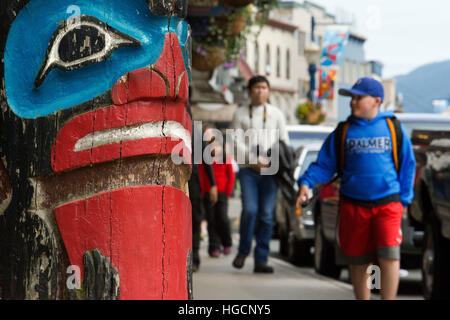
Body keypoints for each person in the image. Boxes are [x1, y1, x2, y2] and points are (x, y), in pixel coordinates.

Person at [296, 77, 416, 300]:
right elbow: (324, 164)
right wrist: (306, 183)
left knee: (389, 256)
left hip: (388, 203)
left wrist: (404, 201)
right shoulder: (343, 131)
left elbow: (408, 166)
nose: (353, 102)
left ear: (377, 101)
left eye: (359, 98)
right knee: (358, 258)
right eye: (352, 97)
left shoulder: (392, 128)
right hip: (353, 204)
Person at [231, 75, 289, 273]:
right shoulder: (240, 114)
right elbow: (235, 143)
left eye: (264, 87)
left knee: (266, 215)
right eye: (256, 87)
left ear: (269, 91)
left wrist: (272, 162)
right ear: (249, 91)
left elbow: (284, 144)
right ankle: (243, 250)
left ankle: (261, 259)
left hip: (271, 172)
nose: (260, 91)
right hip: (248, 170)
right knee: (250, 210)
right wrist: (253, 161)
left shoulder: (277, 114)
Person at [187, 104, 218, 272]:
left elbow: (206, 158)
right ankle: (193, 258)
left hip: (192, 181)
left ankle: (195, 257)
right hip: (184, 180)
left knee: (195, 220)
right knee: (192, 220)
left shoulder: (194, 128)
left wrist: (213, 184)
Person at [198, 125, 235, 257]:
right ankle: (214, 247)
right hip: (207, 193)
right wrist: (203, 192)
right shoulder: (204, 160)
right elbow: (202, 176)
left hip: (222, 193)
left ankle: (227, 242)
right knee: (211, 220)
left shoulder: (225, 159)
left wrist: (228, 192)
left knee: (222, 219)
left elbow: (231, 176)